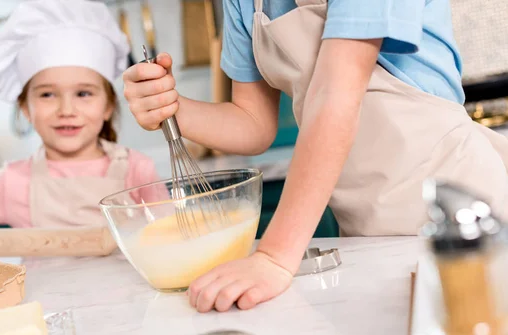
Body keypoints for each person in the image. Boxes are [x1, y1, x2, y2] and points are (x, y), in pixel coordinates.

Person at [123, 0, 508, 312]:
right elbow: (254, 124)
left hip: (461, 215)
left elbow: (335, 97)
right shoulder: (242, 3)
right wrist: (171, 107)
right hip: (365, 233)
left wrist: (273, 257)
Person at [0, 0, 160, 260]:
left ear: (108, 105)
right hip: (45, 302)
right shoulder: (11, 182)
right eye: (47, 95)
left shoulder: (136, 169)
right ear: (25, 108)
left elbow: (175, 237)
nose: (67, 109)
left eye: (83, 93)